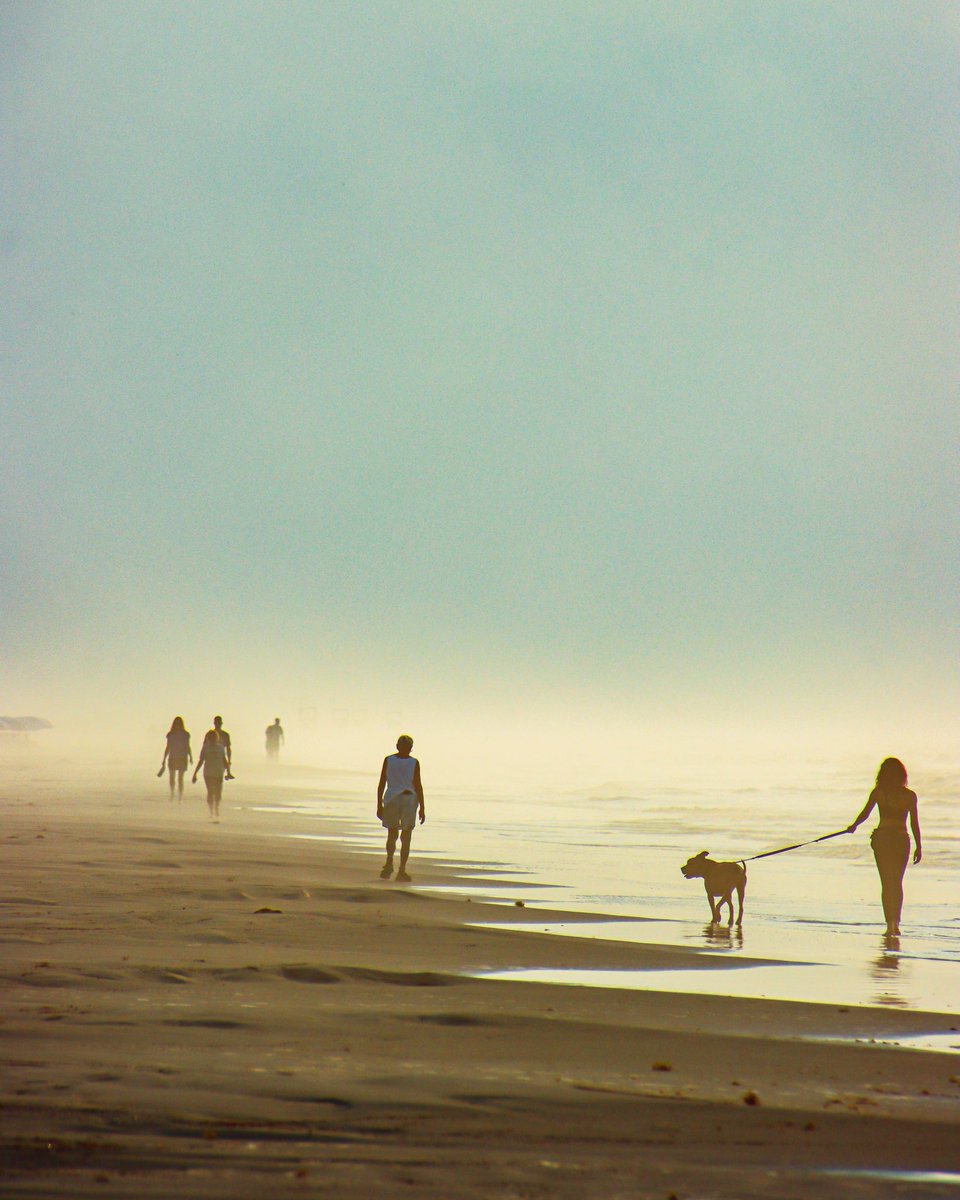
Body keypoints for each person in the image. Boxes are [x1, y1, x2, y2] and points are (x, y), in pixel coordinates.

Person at [847, 757, 922, 936]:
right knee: (896, 882)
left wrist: (854, 826)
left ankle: (889, 925)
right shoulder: (909, 795)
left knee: (887, 883)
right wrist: (919, 846)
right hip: (900, 840)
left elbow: (865, 813)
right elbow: (914, 823)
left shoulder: (879, 792)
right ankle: (896, 923)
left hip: (882, 840)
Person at [376, 734, 425, 882]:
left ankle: (389, 862)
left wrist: (379, 804)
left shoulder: (389, 760)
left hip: (391, 798)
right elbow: (418, 784)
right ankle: (401, 870)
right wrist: (422, 806)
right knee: (406, 836)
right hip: (408, 799)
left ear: (397, 746)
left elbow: (382, 783)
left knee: (392, 834)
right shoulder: (414, 762)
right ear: (411, 749)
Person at [193, 729, 229, 821]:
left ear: (216, 738)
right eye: (210, 737)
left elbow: (224, 760)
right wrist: (195, 773)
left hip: (218, 772)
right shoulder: (205, 748)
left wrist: (228, 772)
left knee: (218, 793)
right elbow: (201, 761)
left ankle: (216, 806)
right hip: (208, 773)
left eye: (213, 737)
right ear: (208, 738)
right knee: (210, 792)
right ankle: (211, 811)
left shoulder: (221, 748)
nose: (212, 739)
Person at [158, 716, 192, 799]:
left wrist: (190, 756)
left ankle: (180, 795)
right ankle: (172, 792)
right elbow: (168, 747)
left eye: (179, 724)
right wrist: (164, 758)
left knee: (180, 778)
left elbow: (187, 746)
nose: (178, 725)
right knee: (172, 777)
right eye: (176, 724)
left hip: (182, 757)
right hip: (173, 757)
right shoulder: (170, 734)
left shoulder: (186, 735)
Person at [212, 715, 234, 779]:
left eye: (218, 723)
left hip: (220, 758)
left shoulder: (225, 735)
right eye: (217, 723)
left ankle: (228, 773)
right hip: (212, 758)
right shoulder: (210, 734)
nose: (218, 724)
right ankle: (228, 773)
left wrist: (229, 760)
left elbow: (228, 748)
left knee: (218, 777)